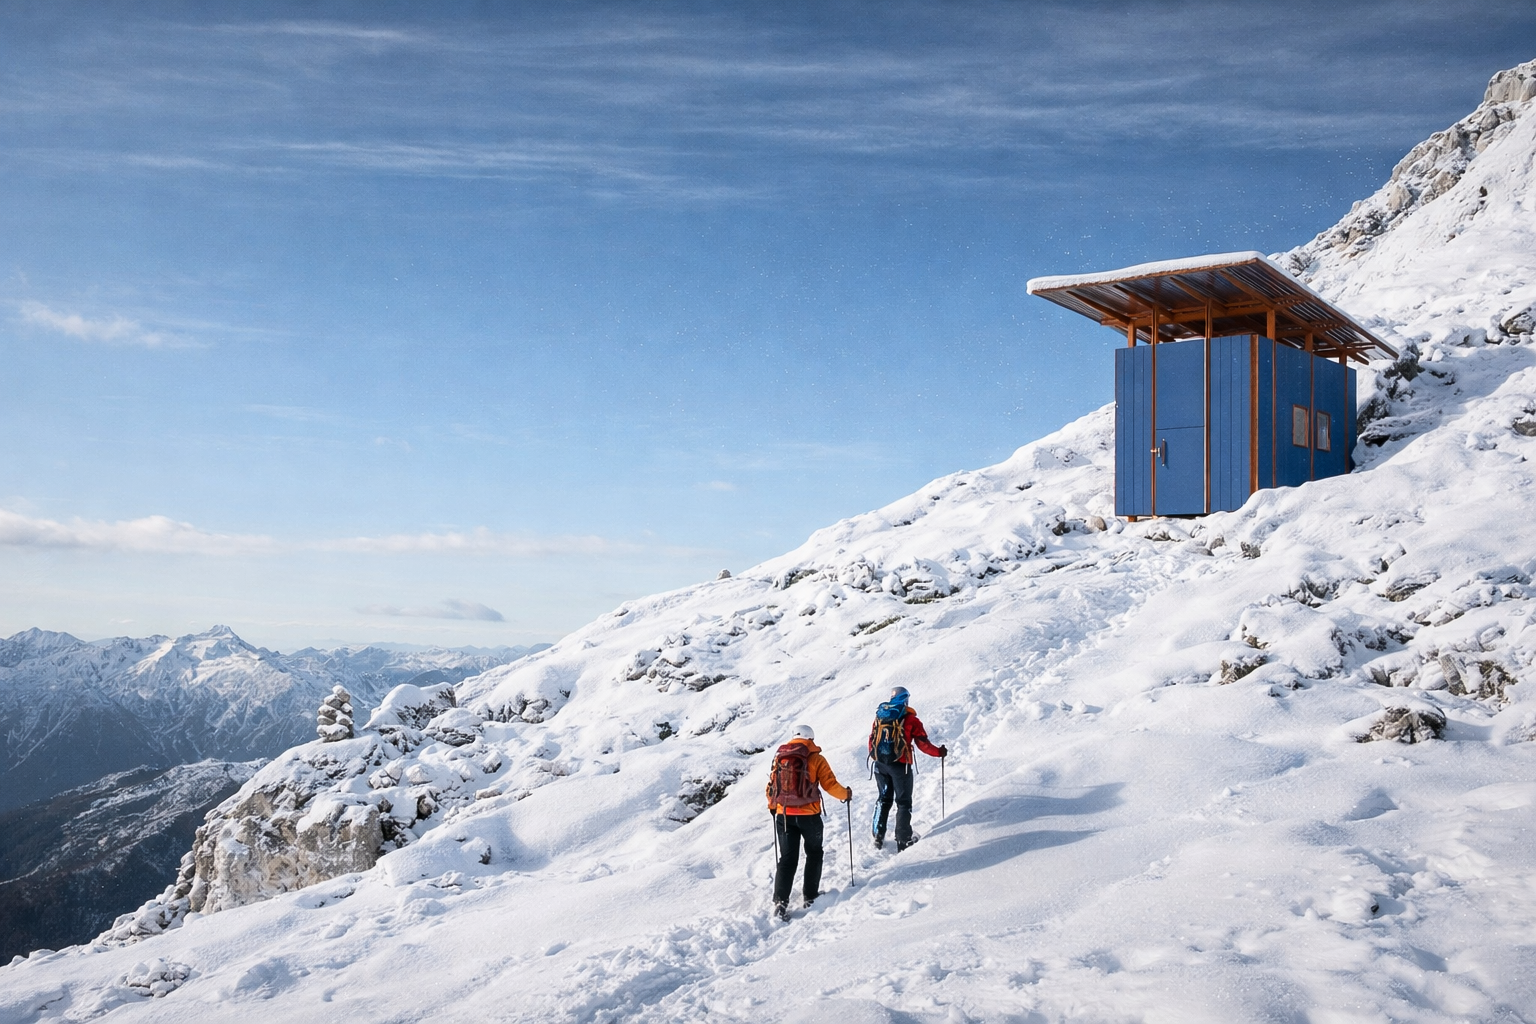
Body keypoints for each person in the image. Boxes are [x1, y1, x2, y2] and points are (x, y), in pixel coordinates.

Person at [765, 723, 851, 920]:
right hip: (809, 816)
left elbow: (771, 785)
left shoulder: (779, 758)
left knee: (787, 859)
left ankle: (780, 902)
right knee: (814, 853)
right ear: (810, 739)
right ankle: (810, 896)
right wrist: (845, 794)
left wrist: (773, 807)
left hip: (783, 814)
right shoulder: (816, 758)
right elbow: (830, 784)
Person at [867, 686, 947, 851]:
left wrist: (878, 758)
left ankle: (878, 836)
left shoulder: (880, 716)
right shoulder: (911, 720)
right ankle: (903, 840)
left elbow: (872, 740)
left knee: (883, 799)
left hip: (880, 764)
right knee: (903, 803)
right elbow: (923, 744)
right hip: (900, 766)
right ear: (905, 700)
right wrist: (939, 752)